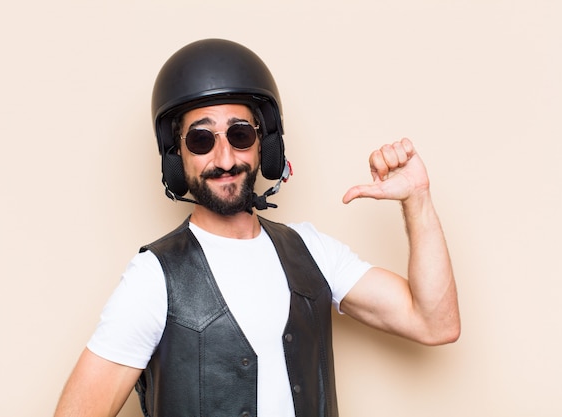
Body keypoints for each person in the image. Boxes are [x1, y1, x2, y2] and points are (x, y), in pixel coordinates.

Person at [54, 38, 460, 417]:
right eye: (200, 140)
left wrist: (418, 199)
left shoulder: (312, 251)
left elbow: (435, 323)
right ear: (176, 156)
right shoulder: (152, 279)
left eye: (240, 134)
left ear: (265, 145)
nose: (226, 157)